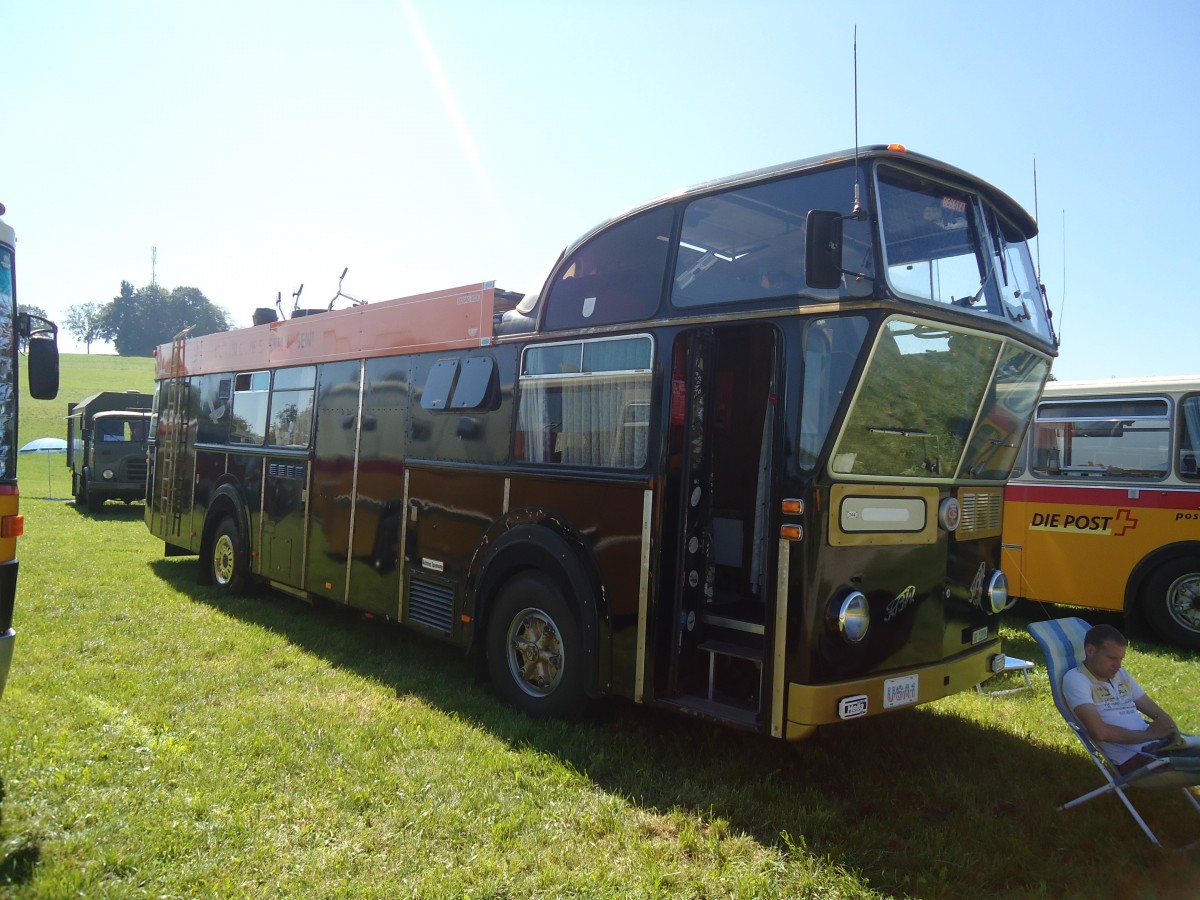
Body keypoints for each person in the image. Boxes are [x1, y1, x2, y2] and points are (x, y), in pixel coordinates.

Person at [1063, 623, 1200, 775]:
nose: (1118, 665)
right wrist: (1149, 735)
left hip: (1159, 746)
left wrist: (1172, 732)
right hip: (1138, 758)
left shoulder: (1120, 675)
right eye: (1112, 658)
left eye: (1121, 659)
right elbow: (1100, 732)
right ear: (1090, 650)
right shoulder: (1076, 679)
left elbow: (1154, 710)